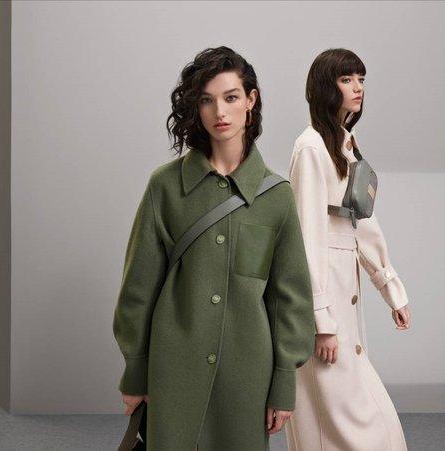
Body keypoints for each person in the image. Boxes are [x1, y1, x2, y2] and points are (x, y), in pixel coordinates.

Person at [112, 46, 315, 451]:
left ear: (251, 100)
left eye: (231, 97)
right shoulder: (165, 187)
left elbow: (289, 298)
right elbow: (138, 288)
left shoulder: (276, 197)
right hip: (174, 367)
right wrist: (135, 370)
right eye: (207, 100)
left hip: (246, 373)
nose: (219, 112)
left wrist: (284, 381)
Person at [285, 48, 412, 451]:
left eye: (361, 79)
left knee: (363, 419)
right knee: (336, 421)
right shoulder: (310, 147)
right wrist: (321, 322)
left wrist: (391, 288)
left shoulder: (346, 144)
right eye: (346, 79)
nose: (358, 87)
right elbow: (306, 237)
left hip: (345, 296)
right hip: (324, 301)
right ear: (326, 86)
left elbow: (362, 223)